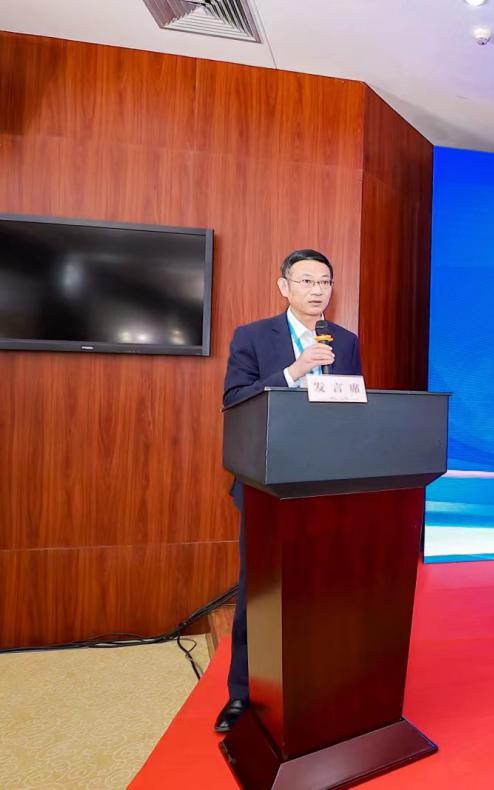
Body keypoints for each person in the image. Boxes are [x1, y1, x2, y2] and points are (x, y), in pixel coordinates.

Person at [215, 249, 362, 733]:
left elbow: (353, 407)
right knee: (260, 588)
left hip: (326, 481)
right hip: (266, 481)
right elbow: (234, 400)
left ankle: (320, 682)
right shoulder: (254, 337)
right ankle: (243, 694)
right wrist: (295, 371)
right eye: (307, 281)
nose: (317, 290)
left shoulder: (345, 340)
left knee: (324, 587)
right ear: (284, 287)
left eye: (325, 281)